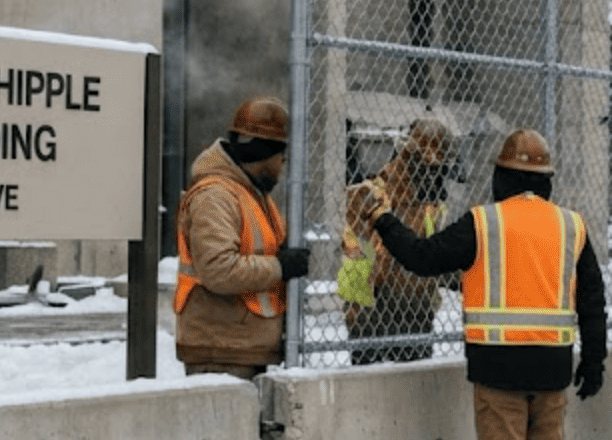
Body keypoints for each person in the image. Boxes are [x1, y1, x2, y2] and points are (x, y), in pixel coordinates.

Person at [353, 128, 607, 440]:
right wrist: (594, 361)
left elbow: (423, 259)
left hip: (498, 371)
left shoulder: (483, 223)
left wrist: (383, 219)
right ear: (546, 180)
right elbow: (592, 297)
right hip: (553, 370)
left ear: (501, 176)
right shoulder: (571, 225)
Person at [173, 96, 309, 378]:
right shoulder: (216, 195)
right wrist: (282, 267)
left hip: (241, 346)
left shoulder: (252, 194)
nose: (284, 163)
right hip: (221, 352)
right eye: (281, 154)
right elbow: (218, 270)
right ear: (266, 153)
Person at [338, 119, 455, 364]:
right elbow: (366, 256)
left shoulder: (430, 203)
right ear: (414, 163)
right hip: (370, 312)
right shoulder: (371, 194)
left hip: (417, 310)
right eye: (435, 169)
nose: (440, 177)